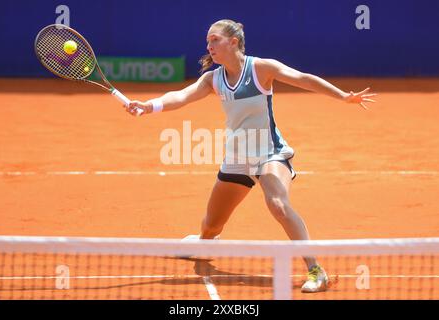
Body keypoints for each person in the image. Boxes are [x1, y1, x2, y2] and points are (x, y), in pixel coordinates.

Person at [126, 19, 376, 293]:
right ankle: (203, 241)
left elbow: (302, 78)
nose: (209, 46)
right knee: (210, 227)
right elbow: (182, 96)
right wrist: (150, 106)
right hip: (237, 158)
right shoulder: (213, 79)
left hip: (269, 152)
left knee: (278, 204)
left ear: (233, 42)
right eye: (208, 42)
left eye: (215, 40)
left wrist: (342, 96)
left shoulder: (260, 69)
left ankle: (316, 270)